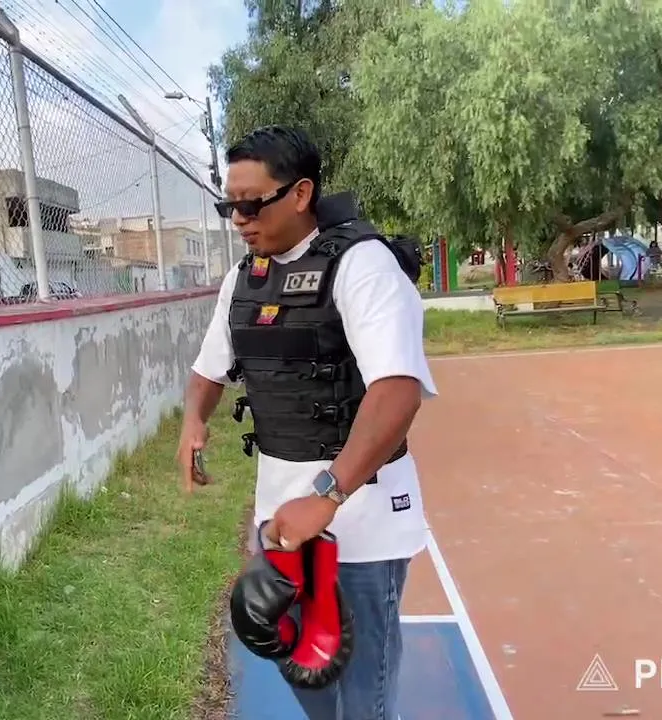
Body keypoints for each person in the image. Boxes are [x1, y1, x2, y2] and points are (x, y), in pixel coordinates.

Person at [176, 125, 437, 719]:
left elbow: (397, 392)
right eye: (229, 206)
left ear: (300, 193)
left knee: (363, 700)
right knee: (308, 678)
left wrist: (328, 494)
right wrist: (194, 420)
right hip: (280, 521)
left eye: (252, 204)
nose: (238, 220)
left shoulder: (363, 266)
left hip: (364, 521)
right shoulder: (243, 279)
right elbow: (207, 371)